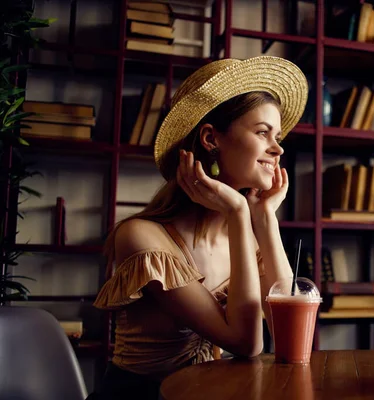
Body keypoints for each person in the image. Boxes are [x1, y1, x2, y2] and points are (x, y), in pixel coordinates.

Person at [86, 56, 308, 400]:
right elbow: (248, 344)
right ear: (210, 138)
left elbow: (292, 337)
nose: (278, 148)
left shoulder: (249, 236)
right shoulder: (142, 237)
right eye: (262, 132)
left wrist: (265, 219)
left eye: (278, 136)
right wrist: (237, 213)